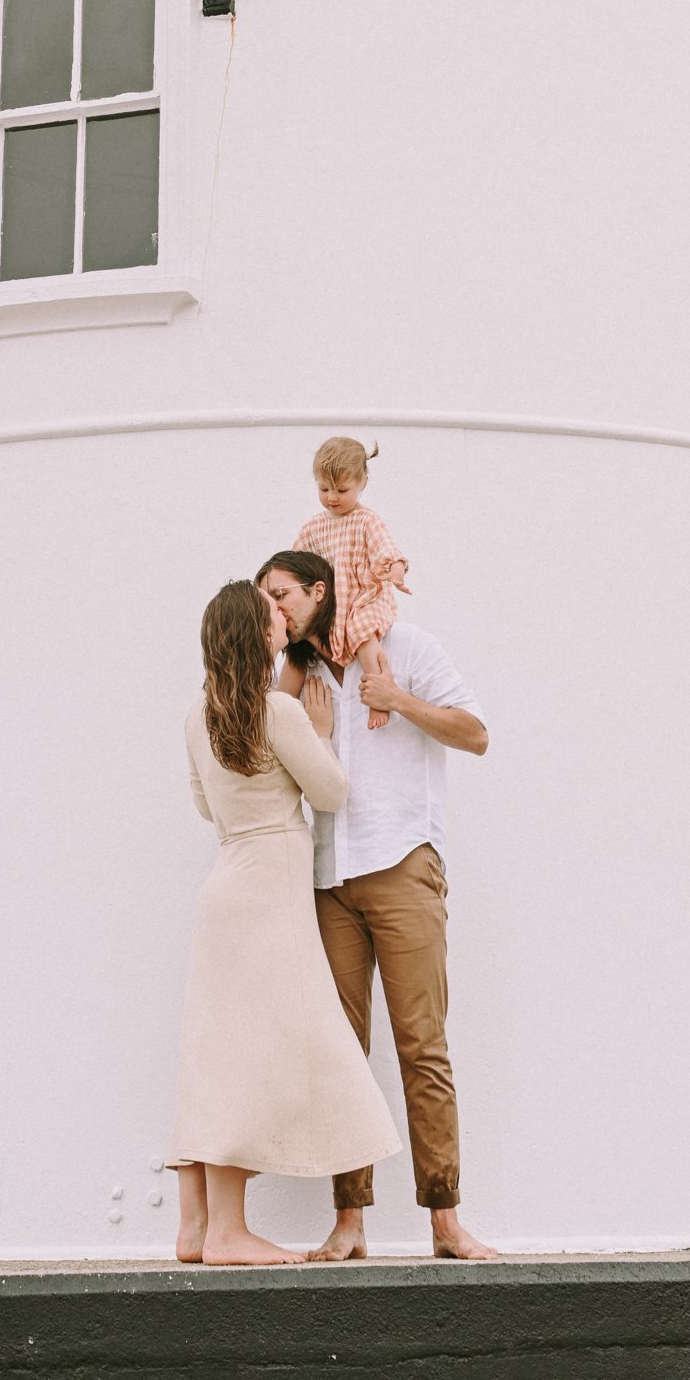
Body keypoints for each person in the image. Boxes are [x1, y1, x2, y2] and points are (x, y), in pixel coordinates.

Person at [259, 547, 497, 1262]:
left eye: (282, 595)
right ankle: (349, 1222)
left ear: (319, 590)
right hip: (329, 878)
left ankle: (446, 1220)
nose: (274, 608)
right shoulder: (298, 674)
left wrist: (398, 702)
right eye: (265, 598)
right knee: (341, 1055)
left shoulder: (406, 647)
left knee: (422, 1045)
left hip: (402, 864)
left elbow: (476, 734)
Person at [168, 578, 399, 1267]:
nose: (282, 618)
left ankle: (195, 1227)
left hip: (224, 890)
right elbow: (330, 793)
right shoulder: (279, 712)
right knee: (249, 1055)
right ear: (252, 633)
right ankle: (229, 1234)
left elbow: (207, 810)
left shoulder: (195, 715)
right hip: (269, 890)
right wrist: (323, 735)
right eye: (271, 612)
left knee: (215, 1051)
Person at [293, 434, 408, 729]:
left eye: (342, 489)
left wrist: (395, 570)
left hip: (364, 597)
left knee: (363, 633)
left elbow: (386, 549)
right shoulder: (314, 527)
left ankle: (379, 695)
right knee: (311, 640)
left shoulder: (367, 521)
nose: (332, 496)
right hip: (335, 605)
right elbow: (295, 562)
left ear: (362, 483)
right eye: (324, 488)